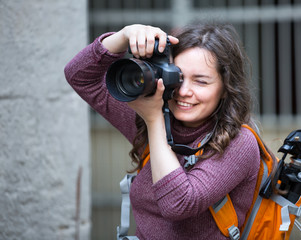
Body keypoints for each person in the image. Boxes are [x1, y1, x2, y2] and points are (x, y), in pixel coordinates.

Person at [65, 23, 261, 239]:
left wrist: (154, 120)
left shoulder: (240, 142)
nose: (184, 91)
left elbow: (178, 204)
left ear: (225, 89)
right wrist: (123, 36)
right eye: (176, 76)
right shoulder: (147, 115)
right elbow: (79, 76)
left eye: (201, 81)